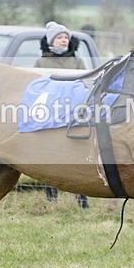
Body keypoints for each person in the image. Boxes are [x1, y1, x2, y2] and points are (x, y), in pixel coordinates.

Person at [34, 21, 88, 209]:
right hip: (51, 114)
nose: (64, 40)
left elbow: (85, 85)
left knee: (77, 155)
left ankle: (82, 200)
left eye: (66, 37)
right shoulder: (41, 62)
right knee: (50, 155)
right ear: (51, 41)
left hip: (74, 113)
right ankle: (51, 199)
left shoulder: (78, 62)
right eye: (59, 37)